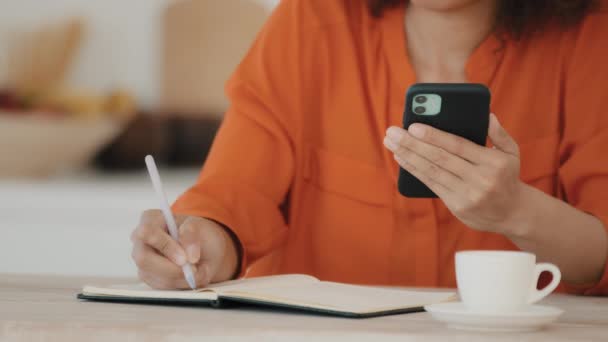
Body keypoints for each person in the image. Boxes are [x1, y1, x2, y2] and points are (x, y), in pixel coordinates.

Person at [131, 0, 608, 295]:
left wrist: (516, 211)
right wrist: (201, 246)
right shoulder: (309, 21)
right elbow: (235, 195)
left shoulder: (591, 35)